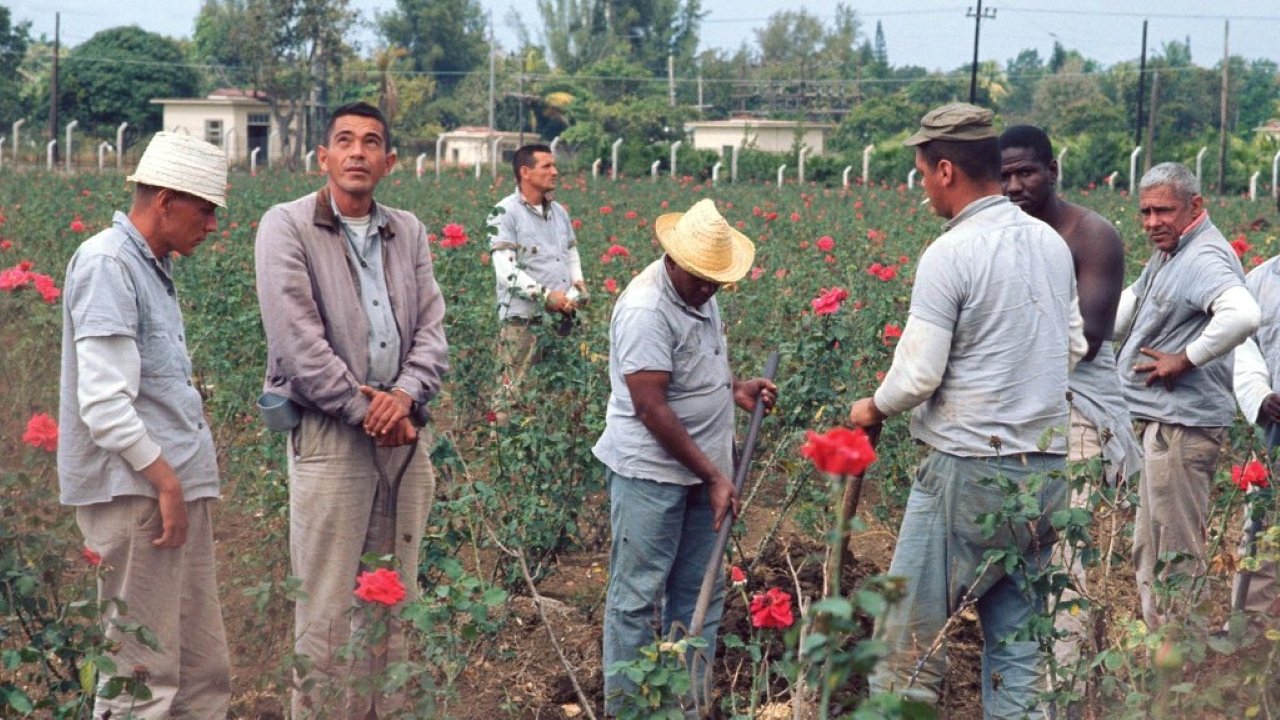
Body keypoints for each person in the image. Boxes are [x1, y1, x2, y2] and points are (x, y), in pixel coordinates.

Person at [848, 103, 1087, 718]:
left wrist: (871, 406)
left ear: (947, 170)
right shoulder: (1051, 244)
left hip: (969, 470)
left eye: (924, 172)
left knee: (907, 651)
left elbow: (920, 374)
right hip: (1046, 470)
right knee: (1019, 655)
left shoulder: (950, 253)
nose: (923, 185)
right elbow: (1074, 345)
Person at [254, 101, 448, 718]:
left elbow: (433, 330)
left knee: (397, 591)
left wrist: (405, 396)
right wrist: (364, 408)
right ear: (324, 157)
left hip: (404, 429)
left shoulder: (408, 230)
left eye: (371, 142)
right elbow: (296, 339)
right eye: (345, 141)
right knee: (330, 601)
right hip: (331, 433)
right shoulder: (286, 226)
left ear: (389, 161)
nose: (358, 152)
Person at [57, 132, 232, 717]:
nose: (211, 226)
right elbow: (105, 403)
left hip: (168, 489)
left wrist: (178, 483)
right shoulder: (108, 262)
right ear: (165, 201)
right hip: (140, 495)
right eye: (205, 210)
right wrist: (166, 482)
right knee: (141, 675)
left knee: (202, 671)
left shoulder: (148, 266)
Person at [593, 198, 776, 716]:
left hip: (704, 471)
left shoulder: (701, 291)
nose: (709, 287)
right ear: (672, 259)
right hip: (651, 474)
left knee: (701, 592)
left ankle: (686, 706)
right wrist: (716, 475)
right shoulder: (645, 308)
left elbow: (690, 371)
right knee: (636, 598)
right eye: (700, 278)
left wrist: (733, 389)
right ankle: (627, 708)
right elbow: (651, 407)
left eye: (716, 279)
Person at [999, 124, 1142, 686]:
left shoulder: (1091, 234)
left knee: (1066, 557)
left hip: (1078, 411)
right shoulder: (1001, 236)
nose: (1014, 185)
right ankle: (1016, 682)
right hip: (1013, 414)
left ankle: (1062, 689)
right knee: (1013, 549)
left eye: (1026, 172)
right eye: (1005, 174)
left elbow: (1091, 334)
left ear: (1053, 170)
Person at [1115, 162, 1259, 628]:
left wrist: (1185, 358)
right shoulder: (1171, 252)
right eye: (1145, 212)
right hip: (1164, 423)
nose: (1152, 222)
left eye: (1164, 210)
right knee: (1150, 548)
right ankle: (1163, 651)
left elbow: (1242, 315)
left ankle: (1183, 661)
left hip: (1183, 428)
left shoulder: (1203, 258)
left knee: (1174, 554)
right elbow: (1130, 306)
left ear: (1195, 206)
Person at [487, 143, 587, 394]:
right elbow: (505, 271)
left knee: (560, 393)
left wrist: (578, 284)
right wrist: (545, 296)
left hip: (561, 317)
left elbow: (571, 252)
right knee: (512, 391)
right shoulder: (505, 212)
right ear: (525, 172)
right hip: (523, 322)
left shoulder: (559, 212)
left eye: (554, 166)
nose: (555, 171)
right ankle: (502, 434)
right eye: (547, 166)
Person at [1231, 254, 1280, 619]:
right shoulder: (1260, 281)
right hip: (1276, 426)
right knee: (1263, 527)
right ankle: (1252, 625)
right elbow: (1244, 350)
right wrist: (1261, 396)